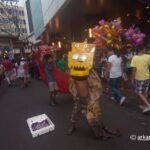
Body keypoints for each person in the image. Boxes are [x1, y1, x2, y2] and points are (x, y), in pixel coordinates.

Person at [67, 42, 121, 139]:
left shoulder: (90, 73)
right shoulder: (73, 72)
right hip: (79, 99)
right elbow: (71, 83)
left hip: (89, 99)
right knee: (74, 115)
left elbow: (96, 84)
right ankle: (73, 126)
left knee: (95, 116)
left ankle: (100, 131)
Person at [131, 46, 150, 113]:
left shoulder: (135, 58)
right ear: (142, 50)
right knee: (145, 92)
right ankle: (145, 105)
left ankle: (148, 105)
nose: (145, 49)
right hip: (147, 76)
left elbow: (134, 69)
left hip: (139, 77)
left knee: (139, 92)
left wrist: (132, 78)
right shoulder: (148, 56)